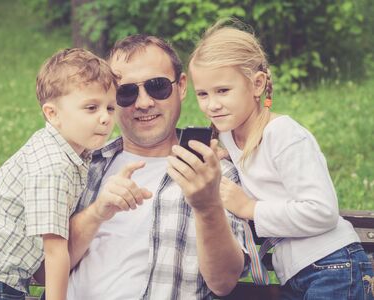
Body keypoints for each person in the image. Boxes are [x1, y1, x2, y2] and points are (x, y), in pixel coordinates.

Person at [188, 21, 374, 299]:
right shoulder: (228, 137)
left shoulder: (283, 134)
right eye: (203, 94)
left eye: (223, 91)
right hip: (296, 275)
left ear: (257, 84)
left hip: (333, 265)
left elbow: (322, 211)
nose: (212, 104)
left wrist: (250, 208)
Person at [64, 35, 249, 299]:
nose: (143, 102)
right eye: (126, 92)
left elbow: (224, 282)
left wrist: (207, 207)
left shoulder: (211, 170)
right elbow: (41, 270)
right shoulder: (85, 164)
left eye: (158, 87)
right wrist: (96, 213)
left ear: (181, 86)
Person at [0, 48, 118, 300]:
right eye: (91, 108)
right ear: (52, 114)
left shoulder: (71, 151)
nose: (104, 118)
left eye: (110, 108)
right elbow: (55, 250)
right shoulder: (53, 166)